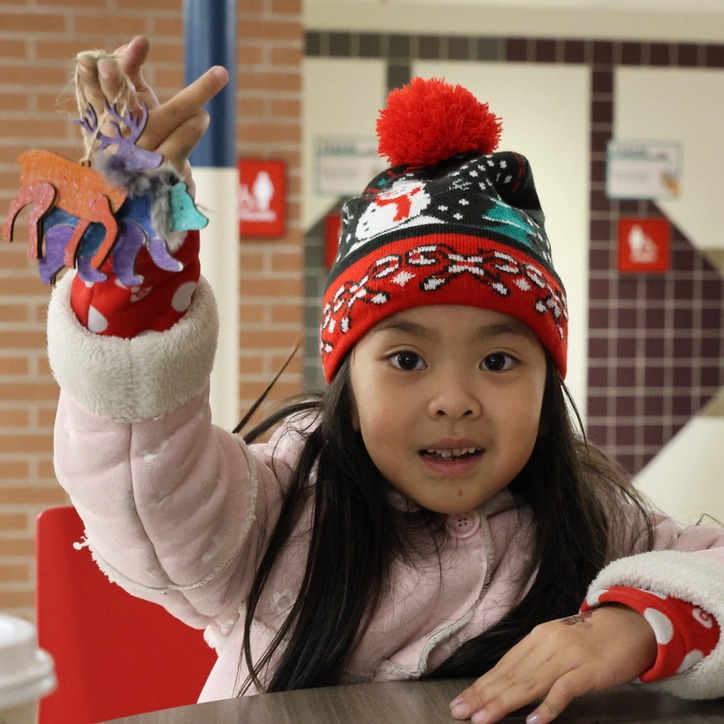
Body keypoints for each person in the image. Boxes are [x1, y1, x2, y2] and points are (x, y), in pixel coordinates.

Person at [39, 36, 724, 724]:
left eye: (499, 361)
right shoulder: (278, 511)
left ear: (547, 387)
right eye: (405, 360)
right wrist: (137, 276)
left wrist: (640, 623)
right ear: (348, 384)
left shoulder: (597, 524)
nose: (454, 401)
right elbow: (146, 488)